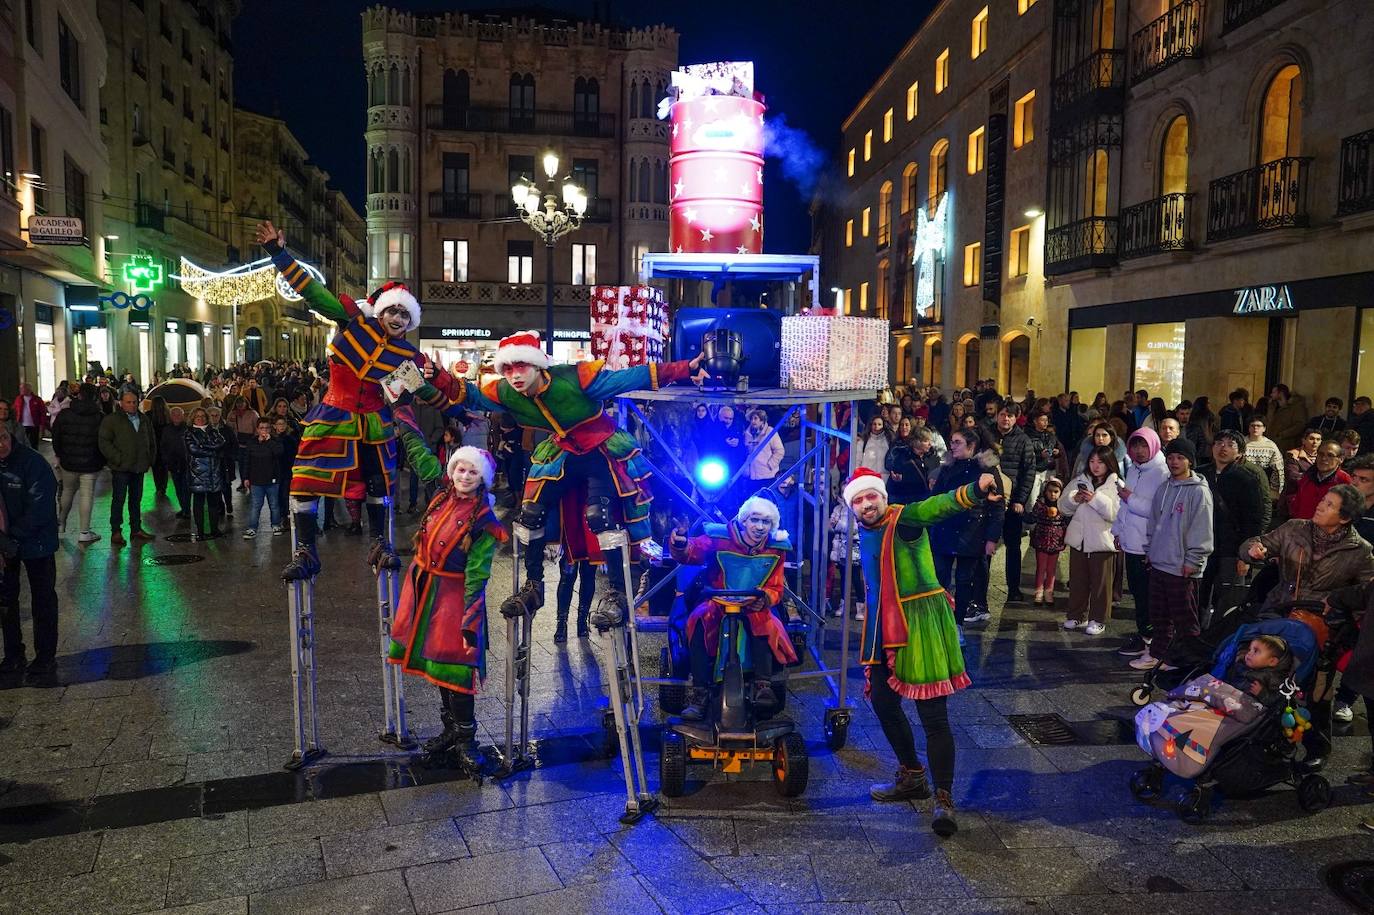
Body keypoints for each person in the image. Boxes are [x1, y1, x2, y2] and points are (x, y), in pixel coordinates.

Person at [441, 330, 705, 623]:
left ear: (538, 365)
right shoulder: (507, 392)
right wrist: (436, 378)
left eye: (521, 366)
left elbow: (627, 378)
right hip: (564, 449)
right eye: (508, 369)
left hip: (600, 447)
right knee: (529, 513)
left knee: (599, 515)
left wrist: (683, 368)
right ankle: (534, 585)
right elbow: (473, 396)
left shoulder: (575, 378)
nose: (515, 375)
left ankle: (617, 592)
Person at [258, 220, 456, 580]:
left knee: (378, 485)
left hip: (375, 425)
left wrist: (460, 404)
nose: (397, 318)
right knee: (305, 481)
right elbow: (312, 292)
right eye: (392, 311)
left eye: (404, 314)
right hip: (334, 415)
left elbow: (427, 391)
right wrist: (278, 252)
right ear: (379, 311)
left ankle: (381, 542)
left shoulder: (408, 356)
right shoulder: (351, 324)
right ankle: (306, 550)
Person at [845, 465, 1000, 837]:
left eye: (872, 496)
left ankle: (943, 799)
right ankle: (912, 775)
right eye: (859, 500)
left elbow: (938, 506)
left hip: (920, 624)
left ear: (883, 496)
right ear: (852, 507)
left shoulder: (905, 519)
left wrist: (975, 491)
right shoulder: (866, 532)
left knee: (933, 716)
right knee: (883, 701)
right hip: (885, 626)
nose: (867, 504)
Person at [386, 429, 506, 771]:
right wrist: (406, 419)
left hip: (454, 598)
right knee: (436, 666)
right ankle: (450, 730)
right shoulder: (442, 495)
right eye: (460, 470)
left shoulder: (483, 520)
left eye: (472, 472)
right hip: (424, 590)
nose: (464, 476)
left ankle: (467, 741)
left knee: (456, 668)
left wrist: (470, 617)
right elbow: (422, 458)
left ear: (481, 479)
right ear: (452, 472)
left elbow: (479, 570)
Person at [668, 496, 798, 720]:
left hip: (752, 604)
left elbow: (776, 586)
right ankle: (700, 692)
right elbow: (692, 551)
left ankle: (762, 685)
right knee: (699, 621)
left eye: (765, 522)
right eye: (754, 520)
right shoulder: (720, 538)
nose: (759, 527)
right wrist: (680, 540)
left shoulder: (777, 548)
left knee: (767, 625)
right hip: (718, 602)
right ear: (744, 520)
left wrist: (766, 598)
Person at [1133, 437, 1214, 672]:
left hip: (1182, 567)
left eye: (1180, 457)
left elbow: (1202, 530)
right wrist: (1150, 550)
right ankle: (1159, 655)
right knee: (1159, 616)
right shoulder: (1164, 487)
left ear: (1190, 461)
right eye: (1170, 457)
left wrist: (1193, 561)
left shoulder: (1199, 493)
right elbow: (1153, 523)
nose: (1174, 462)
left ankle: (1188, 661)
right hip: (1159, 563)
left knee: (1185, 620)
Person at [0, 424, 60, 683]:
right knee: (6, 603)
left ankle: (45, 657)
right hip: (5, 545)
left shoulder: (31, 462)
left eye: (1, 438)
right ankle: (13, 655)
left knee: (43, 599)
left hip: (36, 542)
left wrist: (13, 534)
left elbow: (41, 504)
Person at [930, 429, 1004, 630]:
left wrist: (991, 539)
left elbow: (997, 508)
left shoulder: (986, 470)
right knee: (940, 578)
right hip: (945, 531)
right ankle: (940, 621)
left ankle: (958, 623)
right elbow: (936, 498)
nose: (951, 446)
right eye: (951, 442)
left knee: (964, 581)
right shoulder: (947, 468)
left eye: (957, 442)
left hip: (972, 533)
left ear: (971, 446)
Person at [1199, 431, 1271, 616]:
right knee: (1198, 595)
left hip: (1231, 549)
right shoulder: (1200, 474)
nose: (1223, 448)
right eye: (1219, 443)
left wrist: (1245, 556)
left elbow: (1253, 519)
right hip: (1200, 547)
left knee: (1228, 600)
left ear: (1240, 452)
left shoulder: (1247, 478)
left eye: (1230, 444)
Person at [1111, 428, 1167, 660]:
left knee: (1148, 596)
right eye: (1135, 446)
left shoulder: (1161, 472)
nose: (1139, 451)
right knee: (1137, 593)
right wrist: (1118, 531)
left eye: (1144, 446)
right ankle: (1144, 636)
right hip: (1131, 541)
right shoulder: (1134, 469)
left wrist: (1129, 498)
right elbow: (1124, 506)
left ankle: (1152, 642)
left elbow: (1158, 510)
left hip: (1148, 544)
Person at [1059, 446, 1121, 635]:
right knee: (1078, 580)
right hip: (1080, 539)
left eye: (1100, 462)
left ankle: (1097, 618)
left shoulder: (1116, 484)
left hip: (1102, 541)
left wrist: (1095, 499)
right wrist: (1074, 499)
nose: (1095, 466)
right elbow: (1062, 506)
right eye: (1092, 461)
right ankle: (1076, 615)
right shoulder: (1080, 480)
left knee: (1101, 583)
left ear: (1109, 463)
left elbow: (1115, 513)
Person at [98, 391, 157, 546]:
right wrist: (118, 459)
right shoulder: (112, 420)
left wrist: (149, 458)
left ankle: (136, 528)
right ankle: (116, 531)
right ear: (121, 403)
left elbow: (151, 440)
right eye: (128, 402)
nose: (132, 405)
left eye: (134, 402)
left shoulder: (144, 419)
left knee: (136, 499)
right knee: (119, 499)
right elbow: (104, 442)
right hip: (121, 468)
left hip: (139, 466)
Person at [50, 383, 106, 543]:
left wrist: (60, 454)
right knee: (86, 495)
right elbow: (102, 440)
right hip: (91, 462)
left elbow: (56, 436)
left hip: (68, 462)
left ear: (78, 395)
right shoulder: (99, 416)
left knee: (67, 491)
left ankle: (61, 524)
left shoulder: (65, 414)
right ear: (95, 397)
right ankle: (84, 532)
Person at [993, 404, 1036, 603]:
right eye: (1003, 415)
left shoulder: (1023, 440)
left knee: (1013, 546)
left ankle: (1013, 588)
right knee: (985, 545)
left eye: (1010, 416)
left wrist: (1020, 500)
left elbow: (1028, 472)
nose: (1006, 419)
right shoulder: (987, 436)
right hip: (990, 502)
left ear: (1015, 418)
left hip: (1012, 503)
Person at [185, 407, 226, 540]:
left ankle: (214, 529)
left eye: (203, 416)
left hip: (214, 473)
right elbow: (194, 450)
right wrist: (212, 451)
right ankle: (200, 531)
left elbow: (221, 443)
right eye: (197, 416)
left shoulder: (213, 431)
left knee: (214, 503)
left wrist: (204, 446)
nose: (200, 418)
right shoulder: (189, 433)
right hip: (198, 473)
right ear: (193, 418)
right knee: (198, 504)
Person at [242, 418, 286, 538]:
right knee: (256, 505)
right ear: (257, 429)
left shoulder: (276, 441)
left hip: (272, 479)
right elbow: (247, 460)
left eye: (267, 428)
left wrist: (269, 441)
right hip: (256, 480)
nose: (264, 430)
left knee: (274, 504)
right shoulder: (252, 442)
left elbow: (279, 453)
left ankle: (276, 525)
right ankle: (252, 528)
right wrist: (245, 477)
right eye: (262, 428)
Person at [1286, 439, 1351, 521]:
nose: (1324, 458)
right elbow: (1296, 505)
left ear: (1341, 459)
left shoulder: (1345, 482)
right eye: (1321, 454)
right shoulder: (1307, 477)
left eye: (1330, 455)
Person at [1029, 479, 1068, 606]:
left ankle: (1049, 591)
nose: (1053, 495)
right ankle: (1038, 590)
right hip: (1042, 538)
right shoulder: (1040, 504)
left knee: (1051, 568)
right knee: (1041, 566)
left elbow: (1067, 519)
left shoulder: (1063, 505)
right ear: (1045, 492)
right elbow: (1033, 516)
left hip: (1056, 540)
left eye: (1056, 492)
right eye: (1050, 491)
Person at [886, 421, 936, 505]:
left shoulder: (932, 457)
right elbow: (894, 485)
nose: (930, 444)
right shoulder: (901, 458)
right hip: (906, 502)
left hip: (925, 502)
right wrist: (901, 479)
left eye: (930, 441)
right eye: (926, 441)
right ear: (916, 441)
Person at [1244, 417, 1285, 505]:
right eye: (1252, 425)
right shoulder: (1241, 443)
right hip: (1243, 483)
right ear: (1248, 427)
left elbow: (1278, 469)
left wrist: (1274, 490)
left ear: (1264, 428)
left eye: (1258, 426)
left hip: (1263, 484)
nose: (1255, 428)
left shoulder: (1271, 445)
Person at [161, 407, 191, 519]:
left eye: (179, 414)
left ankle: (187, 510)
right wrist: (166, 459)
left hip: (186, 463)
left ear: (183, 416)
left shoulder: (188, 429)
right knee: (178, 488)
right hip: (173, 464)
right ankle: (184, 508)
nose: (176, 416)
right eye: (174, 414)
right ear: (170, 416)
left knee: (186, 488)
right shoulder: (167, 429)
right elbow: (163, 446)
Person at [744, 408, 784, 486]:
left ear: (762, 420)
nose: (753, 421)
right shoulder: (747, 434)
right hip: (752, 475)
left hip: (767, 475)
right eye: (751, 419)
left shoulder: (770, 432)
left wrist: (770, 465)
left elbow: (779, 451)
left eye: (755, 418)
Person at [1266, 384, 1309, 451]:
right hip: (1271, 444)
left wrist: (1282, 434)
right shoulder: (1272, 406)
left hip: (1286, 445)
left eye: (1274, 392)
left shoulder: (1296, 407)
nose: (1271, 395)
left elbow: (1299, 425)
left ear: (1280, 393)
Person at [12, 382, 46, 448]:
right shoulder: (18, 399)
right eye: (20, 388)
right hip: (21, 425)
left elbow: (42, 413)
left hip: (34, 425)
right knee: (22, 442)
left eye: (22, 388)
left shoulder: (37, 399)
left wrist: (42, 425)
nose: (20, 390)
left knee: (34, 443)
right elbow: (14, 410)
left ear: (28, 389)